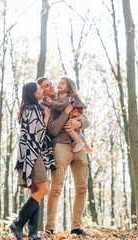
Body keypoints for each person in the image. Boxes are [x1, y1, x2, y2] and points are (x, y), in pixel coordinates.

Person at [37, 77, 90, 237]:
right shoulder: (48, 105)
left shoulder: (72, 100)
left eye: (56, 84)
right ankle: (50, 227)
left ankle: (76, 227)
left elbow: (86, 120)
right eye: (50, 85)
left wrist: (79, 124)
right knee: (57, 187)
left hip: (78, 145)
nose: (54, 86)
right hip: (60, 145)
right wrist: (66, 112)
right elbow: (52, 130)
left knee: (82, 187)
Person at [10, 82, 55, 240]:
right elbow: (39, 133)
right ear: (33, 93)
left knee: (36, 192)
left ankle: (33, 233)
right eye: (39, 89)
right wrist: (47, 116)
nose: (42, 90)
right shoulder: (33, 109)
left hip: (27, 154)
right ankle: (18, 223)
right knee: (43, 190)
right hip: (33, 153)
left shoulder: (26, 108)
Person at [46, 77, 91, 153]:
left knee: (68, 127)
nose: (59, 85)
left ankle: (78, 142)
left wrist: (52, 103)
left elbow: (60, 106)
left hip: (74, 116)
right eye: (59, 83)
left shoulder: (67, 98)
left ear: (68, 88)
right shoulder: (63, 97)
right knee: (78, 132)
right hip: (76, 116)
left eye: (62, 84)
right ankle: (86, 146)